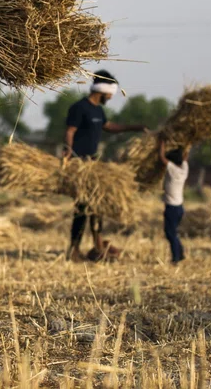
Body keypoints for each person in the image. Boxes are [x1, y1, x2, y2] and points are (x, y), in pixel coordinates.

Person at [62, 70, 147, 262]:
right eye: (111, 93)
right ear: (103, 90)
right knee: (82, 208)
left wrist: (134, 128)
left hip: (93, 163)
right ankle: (74, 250)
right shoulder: (79, 108)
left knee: (97, 206)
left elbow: (109, 127)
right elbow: (70, 131)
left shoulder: (98, 110)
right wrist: (68, 151)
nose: (111, 96)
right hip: (80, 164)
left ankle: (98, 245)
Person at [160, 140, 190, 265]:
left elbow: (161, 158)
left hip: (171, 208)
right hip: (179, 208)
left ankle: (176, 257)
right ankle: (180, 253)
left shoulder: (173, 170)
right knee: (173, 232)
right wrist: (187, 144)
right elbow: (185, 157)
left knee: (170, 233)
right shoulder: (184, 169)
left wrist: (161, 143)